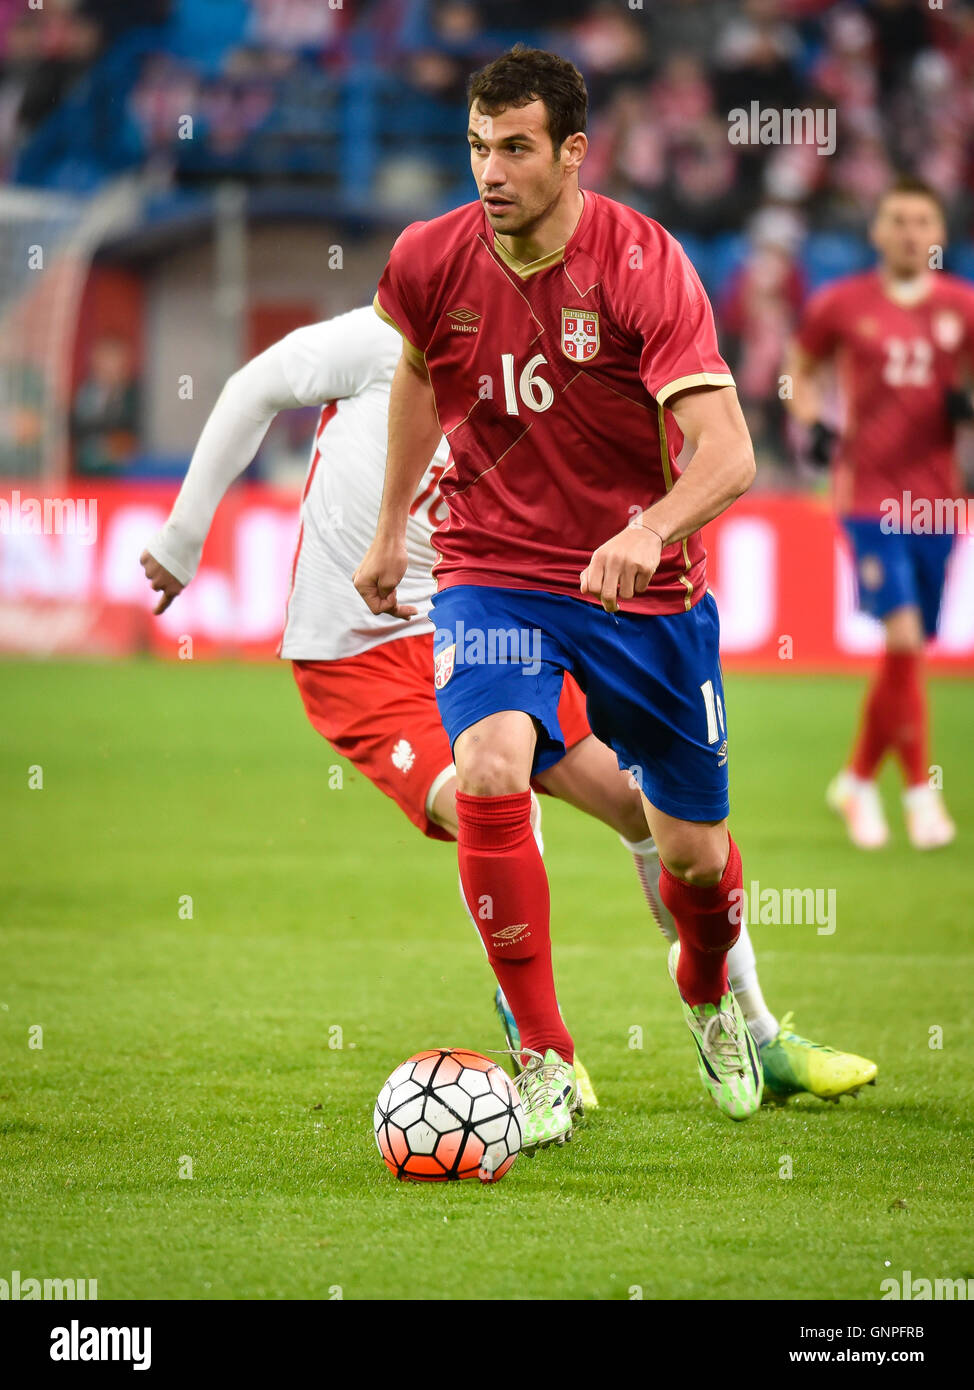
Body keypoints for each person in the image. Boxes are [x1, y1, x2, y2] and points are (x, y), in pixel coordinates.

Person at [140, 305, 876, 1140]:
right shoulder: (390, 337)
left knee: (647, 808)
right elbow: (252, 387)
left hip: (490, 623)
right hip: (361, 652)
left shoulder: (564, 362)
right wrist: (184, 534)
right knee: (489, 796)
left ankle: (756, 1032)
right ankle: (539, 1046)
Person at [355, 45, 856, 1143]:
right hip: (492, 567)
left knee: (693, 858)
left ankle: (706, 999)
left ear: (572, 152)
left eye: (517, 148)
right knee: (488, 765)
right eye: (478, 147)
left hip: (643, 592)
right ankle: (541, 1058)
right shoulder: (428, 258)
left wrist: (648, 527)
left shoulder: (642, 262)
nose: (491, 170)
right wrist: (392, 525)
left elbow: (727, 454)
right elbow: (412, 374)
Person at [785, 176, 974, 851]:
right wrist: (810, 424)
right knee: (901, 640)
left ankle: (858, 779)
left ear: (938, 234)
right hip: (868, 498)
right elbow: (799, 369)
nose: (907, 231)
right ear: (876, 231)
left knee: (909, 653)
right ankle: (921, 793)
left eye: (920, 219)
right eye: (895, 219)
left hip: (940, 502)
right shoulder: (842, 304)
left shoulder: (962, 306)